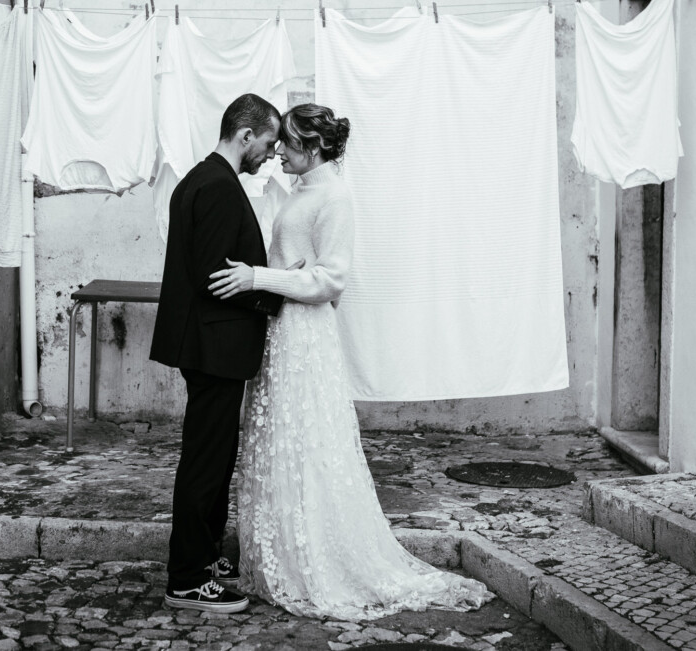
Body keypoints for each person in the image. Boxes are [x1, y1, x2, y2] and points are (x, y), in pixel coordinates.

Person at [208, 104, 492, 620]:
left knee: (307, 444)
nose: (277, 153)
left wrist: (259, 277)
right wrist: (271, 277)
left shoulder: (334, 195)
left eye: (286, 145)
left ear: (312, 147)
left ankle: (315, 559)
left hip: (304, 337)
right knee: (281, 442)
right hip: (281, 332)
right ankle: (282, 555)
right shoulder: (303, 190)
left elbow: (332, 279)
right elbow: (297, 265)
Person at [150, 93, 285, 614]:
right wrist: (275, 291)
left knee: (214, 455)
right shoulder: (218, 188)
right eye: (268, 143)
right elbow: (215, 277)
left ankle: (204, 557)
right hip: (215, 348)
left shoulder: (202, 180)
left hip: (210, 346)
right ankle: (186, 577)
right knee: (206, 462)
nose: (271, 154)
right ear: (245, 134)